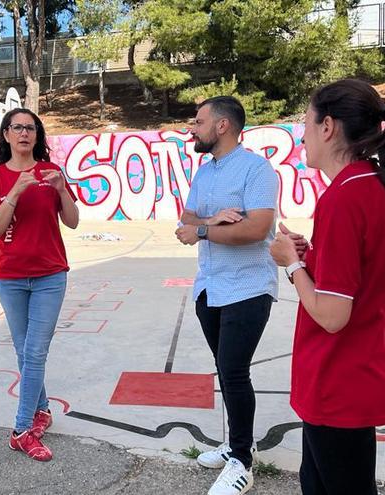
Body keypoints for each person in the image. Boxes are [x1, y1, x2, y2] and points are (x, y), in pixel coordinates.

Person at [269, 79, 385, 495]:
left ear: (328, 126)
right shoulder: (374, 182)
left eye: (307, 125)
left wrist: (293, 264)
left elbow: (333, 315)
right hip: (356, 375)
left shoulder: (344, 197)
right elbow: (362, 275)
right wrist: (312, 254)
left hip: (340, 380)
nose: (302, 137)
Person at [175, 96, 279, 495]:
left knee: (234, 371)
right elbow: (186, 220)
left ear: (222, 126)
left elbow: (255, 229)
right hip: (209, 287)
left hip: (248, 288)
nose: (193, 128)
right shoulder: (204, 172)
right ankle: (239, 441)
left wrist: (202, 230)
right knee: (226, 369)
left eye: (199, 121)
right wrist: (212, 220)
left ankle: (242, 463)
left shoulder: (257, 170)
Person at [0, 108, 79, 462]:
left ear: (38, 135)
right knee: (25, 353)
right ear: (6, 135)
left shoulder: (51, 172)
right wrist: (15, 193)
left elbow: (73, 221)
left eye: (31, 128)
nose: (24, 133)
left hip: (51, 275)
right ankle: (43, 409)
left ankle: (22, 430)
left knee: (35, 352)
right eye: (17, 127)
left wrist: (62, 189)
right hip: (11, 278)